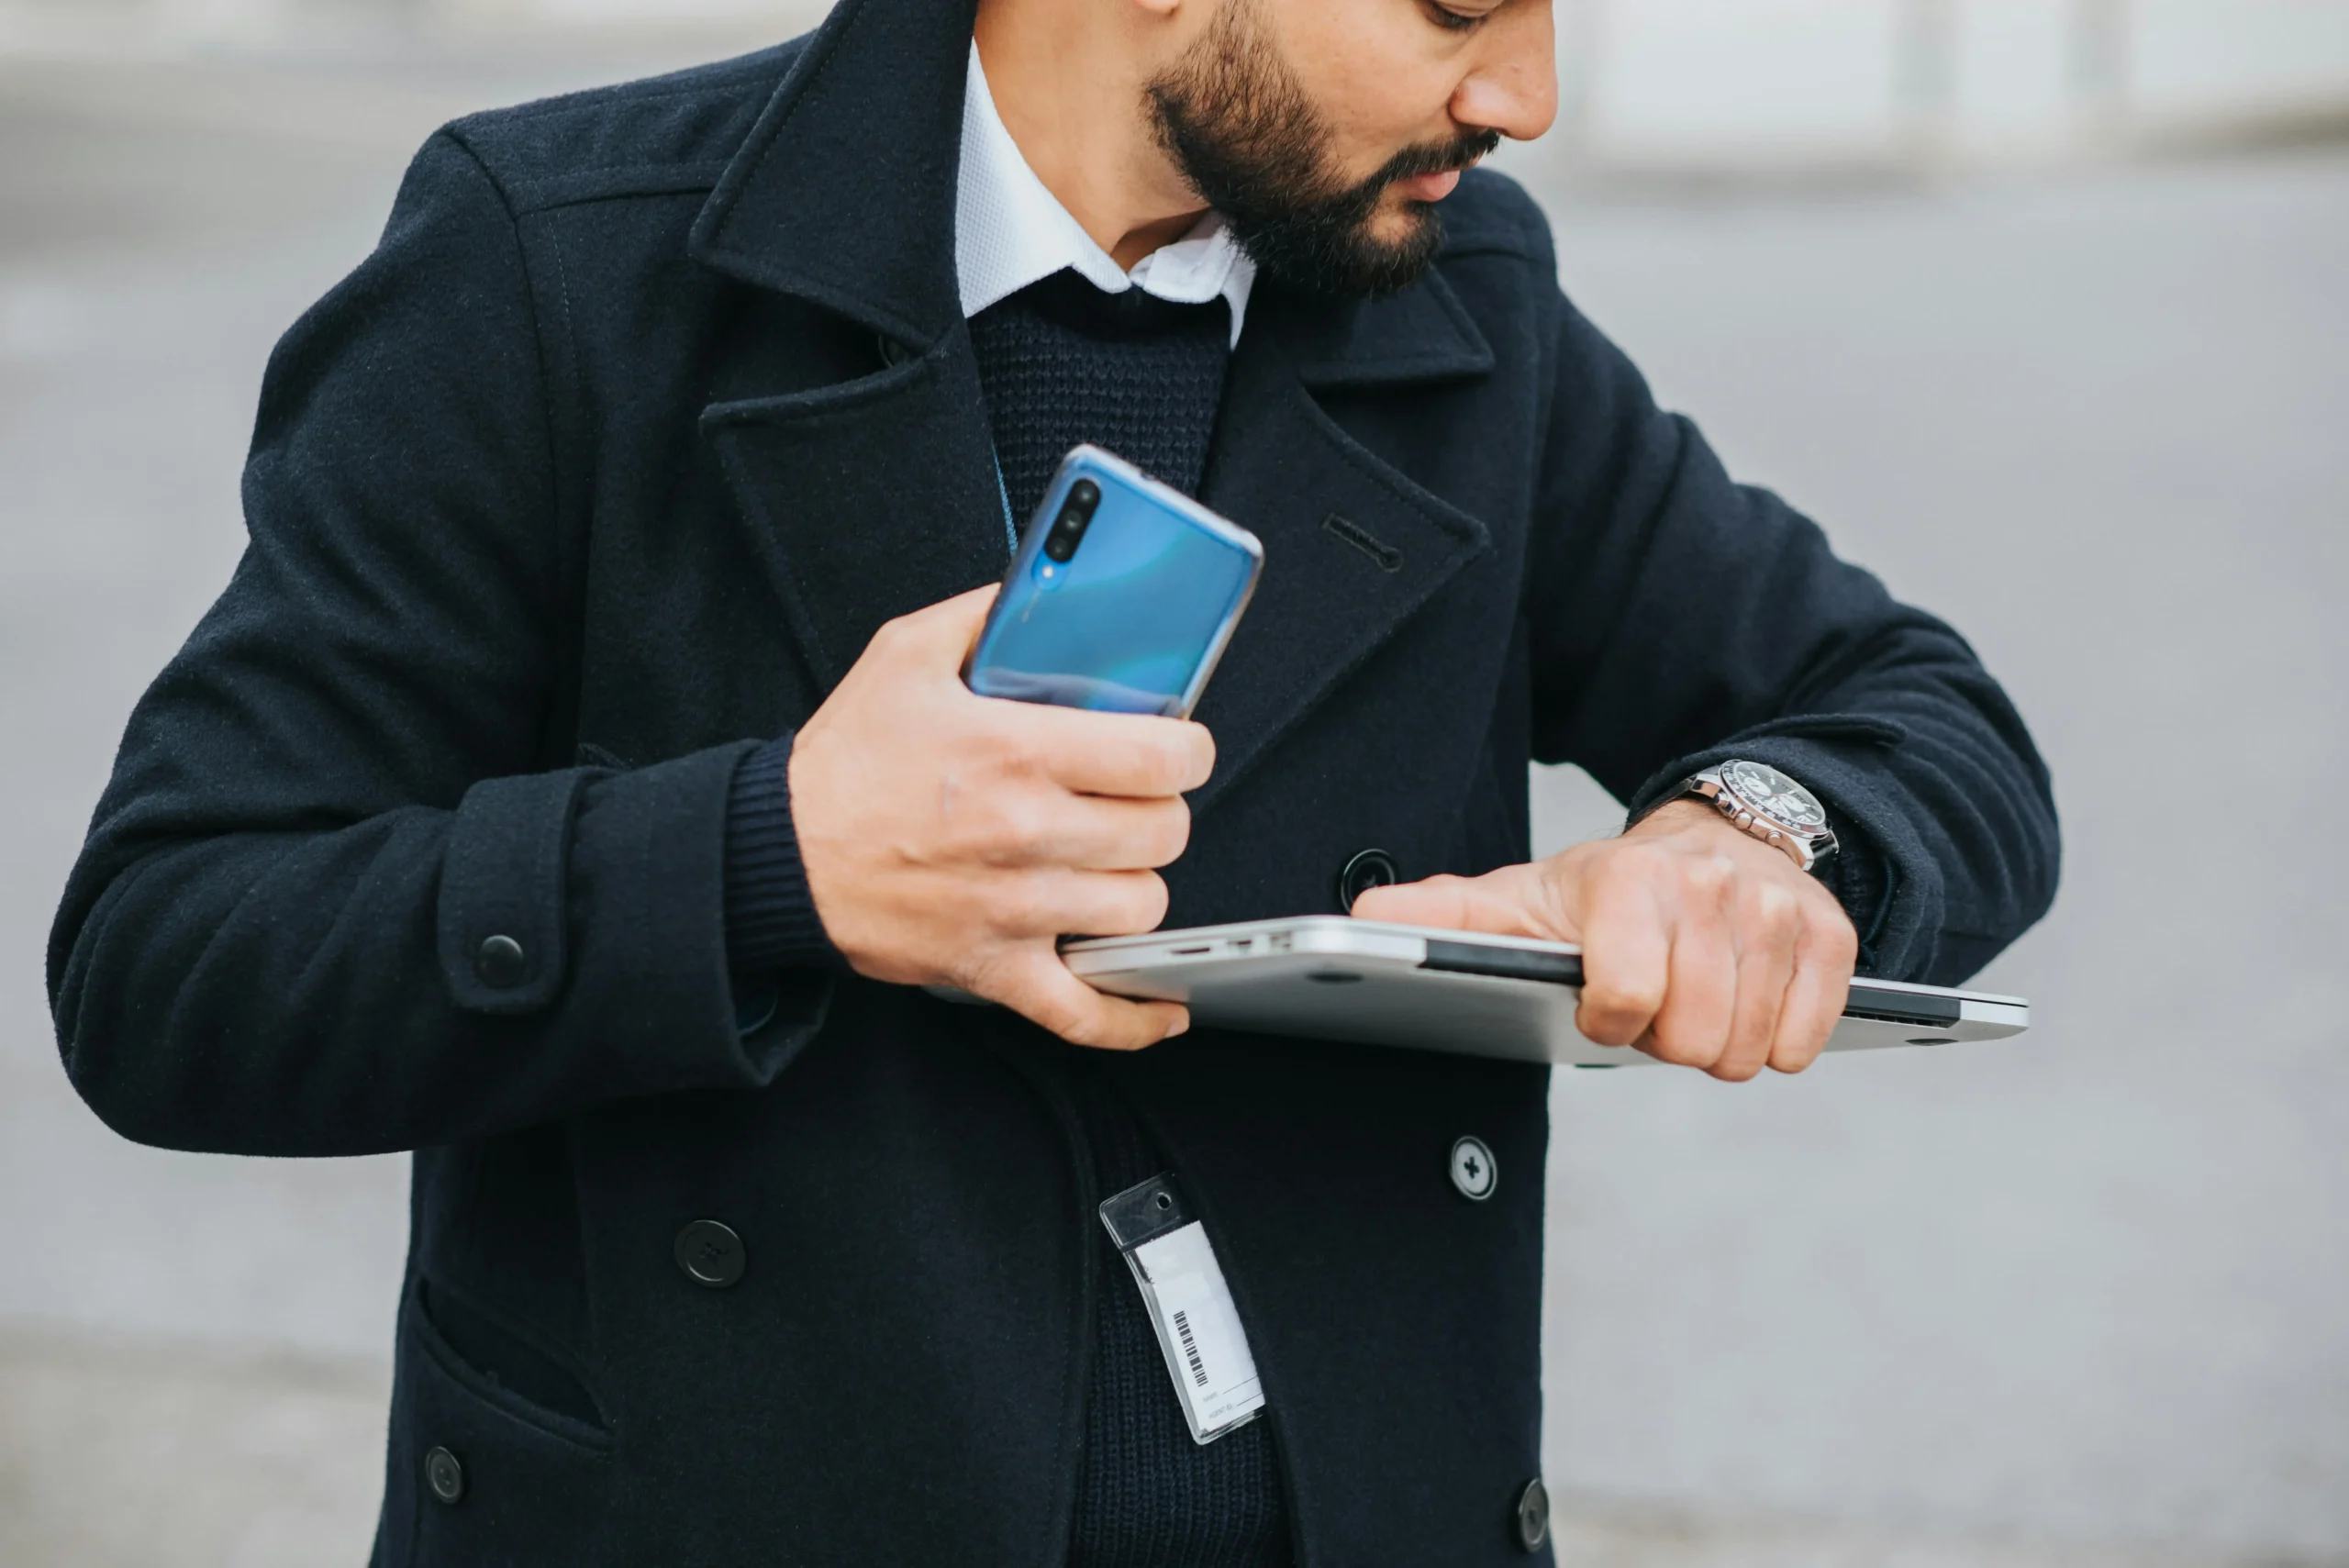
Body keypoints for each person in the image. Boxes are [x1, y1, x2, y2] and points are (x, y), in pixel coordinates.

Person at [47, 0, 2059, 1559]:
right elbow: (168, 956)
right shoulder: (556, 267)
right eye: (1456, 4)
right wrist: (765, 858)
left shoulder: (1463, 303)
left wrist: (1749, 839)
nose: (1525, 93)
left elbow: (1914, 710)